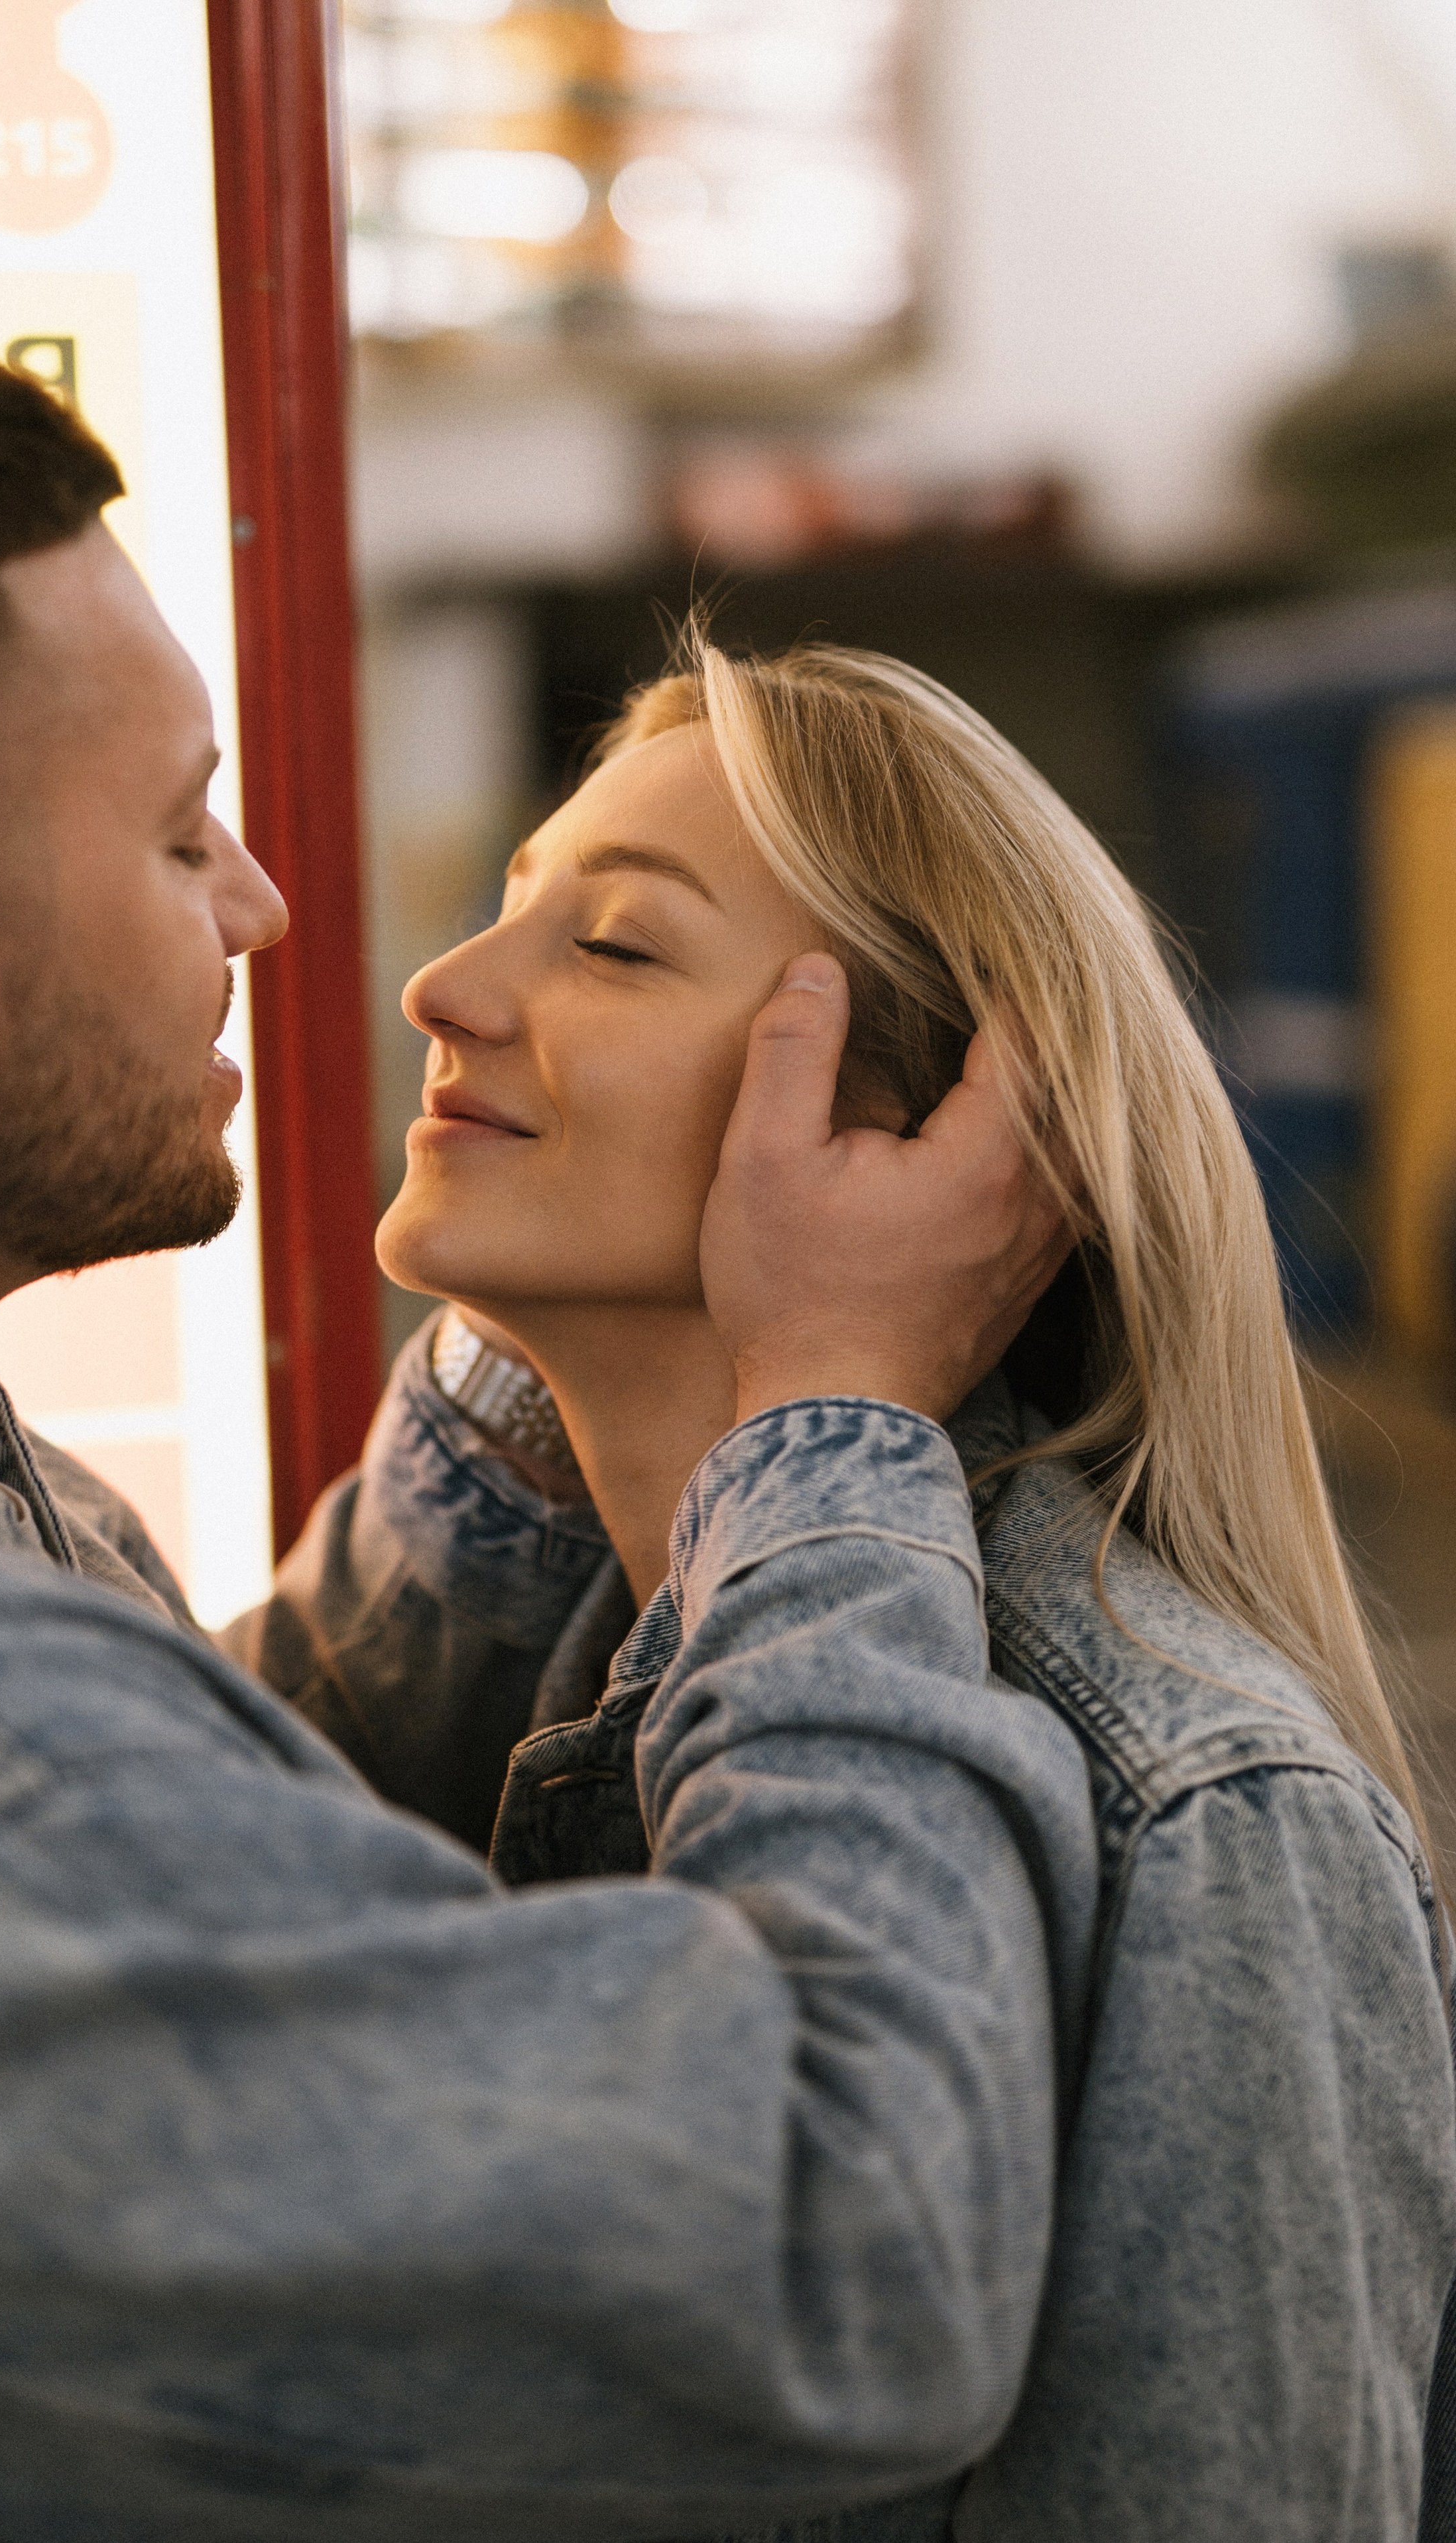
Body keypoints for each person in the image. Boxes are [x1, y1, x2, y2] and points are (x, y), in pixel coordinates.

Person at [0, 317, 1096, 2538]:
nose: (280, 917)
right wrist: (832, 1415)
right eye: (182, 829)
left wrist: (559, 1372)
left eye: (619, 946)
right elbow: (845, 2240)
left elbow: (214, 1803)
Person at [237, 631, 1456, 2538]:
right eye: (507, 910)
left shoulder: (1212, 1816)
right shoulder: (536, 1641)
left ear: (919, 1136)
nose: (444, 989)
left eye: (615, 944)